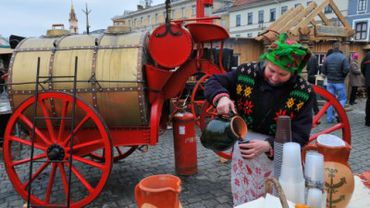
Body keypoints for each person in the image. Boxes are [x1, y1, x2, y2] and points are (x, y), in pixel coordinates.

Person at [204, 33, 314, 205]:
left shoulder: (303, 92)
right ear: (266, 61)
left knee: (275, 200)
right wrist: (221, 97)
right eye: (271, 70)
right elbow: (213, 82)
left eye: (283, 74)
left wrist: (269, 145)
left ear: (294, 72)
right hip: (244, 150)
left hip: (278, 156)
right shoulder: (245, 73)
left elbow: (300, 135)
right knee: (245, 201)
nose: (275, 78)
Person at [321, 42, 350, 123]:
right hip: (339, 82)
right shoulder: (343, 57)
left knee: (330, 100)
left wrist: (328, 75)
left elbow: (323, 70)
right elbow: (346, 69)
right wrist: (343, 76)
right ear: (339, 47)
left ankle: (329, 118)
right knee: (343, 98)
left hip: (330, 82)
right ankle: (338, 113)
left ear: (332, 47)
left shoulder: (328, 58)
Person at [361, 52, 370, 126]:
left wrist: (367, 77)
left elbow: (362, 68)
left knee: (369, 101)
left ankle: (368, 121)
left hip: (368, 82)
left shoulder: (367, 55)